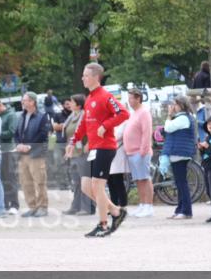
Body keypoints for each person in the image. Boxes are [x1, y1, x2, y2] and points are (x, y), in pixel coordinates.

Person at [65, 62, 130, 237]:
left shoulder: (106, 96)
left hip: (105, 147)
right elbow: (84, 124)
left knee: (97, 186)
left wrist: (106, 125)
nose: (83, 78)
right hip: (94, 148)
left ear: (95, 77)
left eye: (86, 75)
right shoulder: (89, 98)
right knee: (87, 186)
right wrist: (73, 141)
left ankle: (102, 224)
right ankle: (116, 211)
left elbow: (124, 113)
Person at [13, 91, 51, 217]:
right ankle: (32, 206)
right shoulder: (21, 116)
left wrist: (29, 146)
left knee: (39, 181)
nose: (23, 102)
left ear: (32, 102)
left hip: (36, 154)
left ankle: (42, 207)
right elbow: (17, 133)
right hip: (22, 155)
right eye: (23, 100)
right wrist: (18, 144)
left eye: (25, 100)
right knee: (25, 182)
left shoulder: (42, 116)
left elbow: (42, 134)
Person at [163, 96, 198, 219]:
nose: (173, 107)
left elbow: (168, 127)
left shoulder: (183, 118)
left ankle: (186, 210)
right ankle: (180, 209)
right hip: (178, 153)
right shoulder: (182, 117)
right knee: (179, 183)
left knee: (182, 183)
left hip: (180, 154)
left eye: (175, 104)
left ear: (181, 105)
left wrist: (168, 115)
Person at [123, 88, 154, 218]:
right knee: (138, 180)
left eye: (131, 98)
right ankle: (142, 204)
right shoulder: (134, 113)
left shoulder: (144, 113)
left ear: (138, 98)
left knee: (145, 179)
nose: (129, 101)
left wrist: (143, 150)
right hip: (132, 152)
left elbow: (146, 132)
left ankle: (148, 206)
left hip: (140, 152)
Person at [62, 93, 93, 216]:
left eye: (72, 102)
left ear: (79, 105)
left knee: (84, 180)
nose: (69, 103)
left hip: (82, 152)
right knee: (76, 181)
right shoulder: (72, 116)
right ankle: (75, 206)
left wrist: (89, 143)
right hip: (73, 153)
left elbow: (91, 130)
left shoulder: (85, 115)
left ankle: (87, 207)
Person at [0, 97, 20, 214]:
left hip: (8, 150)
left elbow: (11, 132)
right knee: (1, 178)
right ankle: (5, 203)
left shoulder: (11, 115)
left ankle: (14, 204)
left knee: (10, 177)